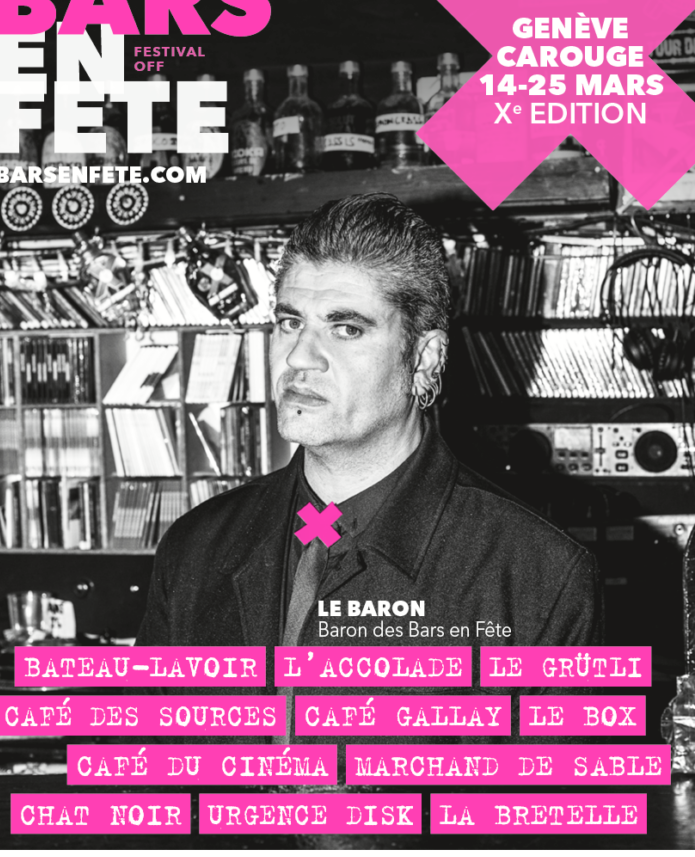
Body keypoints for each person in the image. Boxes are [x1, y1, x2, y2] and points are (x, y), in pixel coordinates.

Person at [136, 193, 602, 736]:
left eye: (346, 329)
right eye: (289, 322)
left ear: (423, 359)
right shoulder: (195, 547)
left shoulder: (538, 575)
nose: (298, 357)